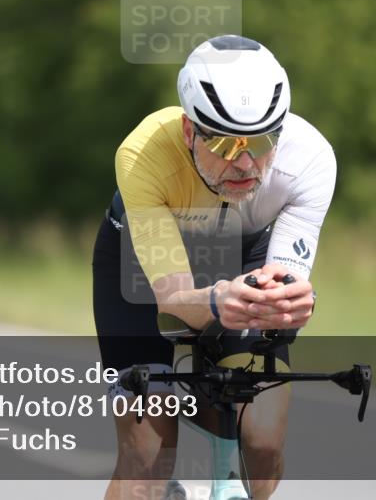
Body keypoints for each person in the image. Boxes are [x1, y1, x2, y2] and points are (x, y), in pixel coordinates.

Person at [92, 35, 337, 499]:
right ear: (189, 131)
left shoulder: (311, 160)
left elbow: (282, 281)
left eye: (262, 141)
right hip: (144, 269)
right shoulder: (143, 154)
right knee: (146, 457)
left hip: (244, 258)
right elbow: (172, 298)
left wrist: (289, 300)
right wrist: (220, 301)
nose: (245, 163)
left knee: (262, 441)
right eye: (226, 143)